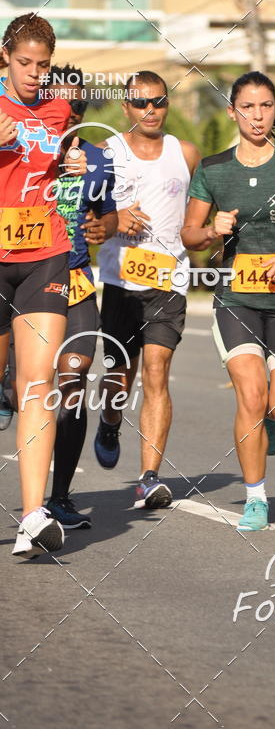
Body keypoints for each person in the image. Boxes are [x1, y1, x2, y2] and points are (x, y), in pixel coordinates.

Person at [181, 71, 275, 531]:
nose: (257, 115)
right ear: (233, 112)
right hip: (236, 301)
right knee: (250, 394)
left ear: (274, 110)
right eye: (247, 107)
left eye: (265, 106)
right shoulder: (213, 169)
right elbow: (189, 235)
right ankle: (256, 498)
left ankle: (272, 420)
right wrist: (213, 231)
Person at [0, 13, 87, 558]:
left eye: (43, 65)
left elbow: (54, 168)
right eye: (25, 63)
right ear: (5, 58)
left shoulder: (60, 109)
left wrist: (71, 165)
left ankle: (33, 516)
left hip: (44, 255)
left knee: (37, 382)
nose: (34, 74)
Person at [95, 70, 199, 509]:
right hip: (120, 279)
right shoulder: (105, 152)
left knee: (157, 371)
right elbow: (86, 216)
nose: (150, 110)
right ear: (126, 108)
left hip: (168, 280)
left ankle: (149, 477)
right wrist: (116, 216)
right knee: (121, 374)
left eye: (158, 102)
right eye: (140, 103)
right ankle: (110, 418)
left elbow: (195, 218)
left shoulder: (186, 153)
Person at [36, 64, 117, 528]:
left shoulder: (97, 160)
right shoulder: (20, 149)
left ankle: (60, 497)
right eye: (60, 103)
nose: (68, 113)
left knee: (75, 379)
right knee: (20, 389)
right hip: (22, 281)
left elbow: (108, 217)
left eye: (77, 105)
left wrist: (99, 227)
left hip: (75, 279)